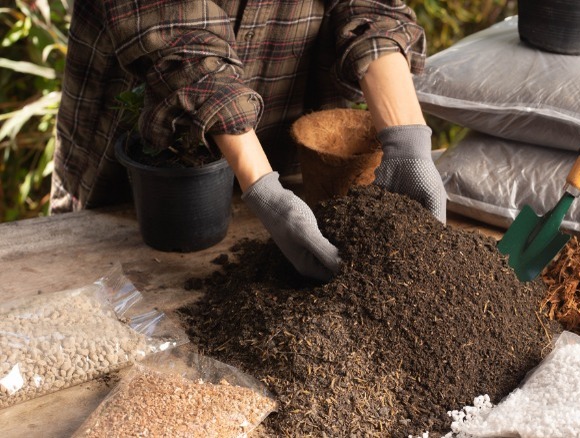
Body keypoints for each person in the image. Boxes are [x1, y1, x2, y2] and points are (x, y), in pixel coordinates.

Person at [52, 0, 447, 281]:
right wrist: (263, 187)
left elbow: (373, 8)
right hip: (151, 167)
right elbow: (175, 31)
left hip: (284, 145)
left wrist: (407, 142)